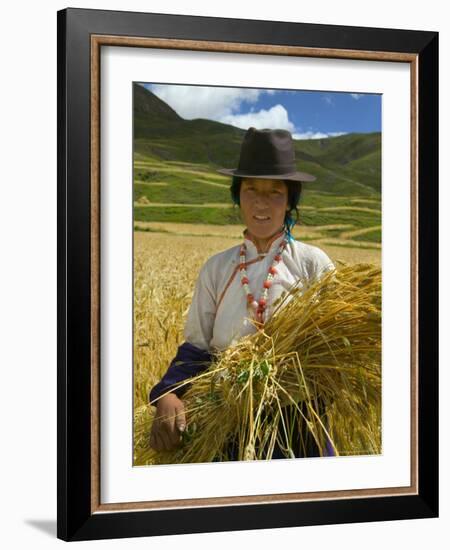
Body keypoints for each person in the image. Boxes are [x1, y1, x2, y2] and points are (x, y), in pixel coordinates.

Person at [148, 127, 336, 459]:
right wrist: (168, 394)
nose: (261, 202)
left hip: (299, 425)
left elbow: (335, 351)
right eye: (251, 189)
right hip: (226, 424)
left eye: (275, 191)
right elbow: (196, 348)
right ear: (238, 196)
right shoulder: (217, 269)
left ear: (290, 199)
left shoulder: (312, 264)